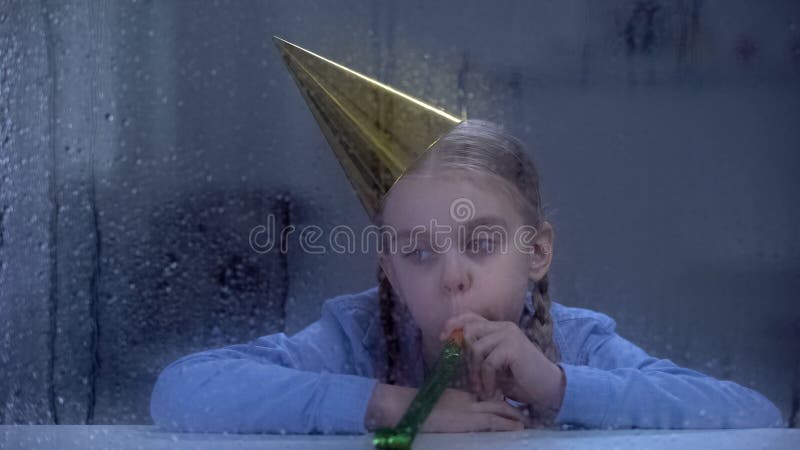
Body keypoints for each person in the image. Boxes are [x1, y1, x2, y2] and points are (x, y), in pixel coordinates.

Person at [150, 38, 784, 434]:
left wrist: (557, 387)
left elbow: (753, 415)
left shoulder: (578, 342)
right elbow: (181, 391)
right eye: (419, 253)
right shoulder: (357, 336)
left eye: (480, 244)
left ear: (535, 251)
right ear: (391, 271)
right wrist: (389, 404)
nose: (452, 274)